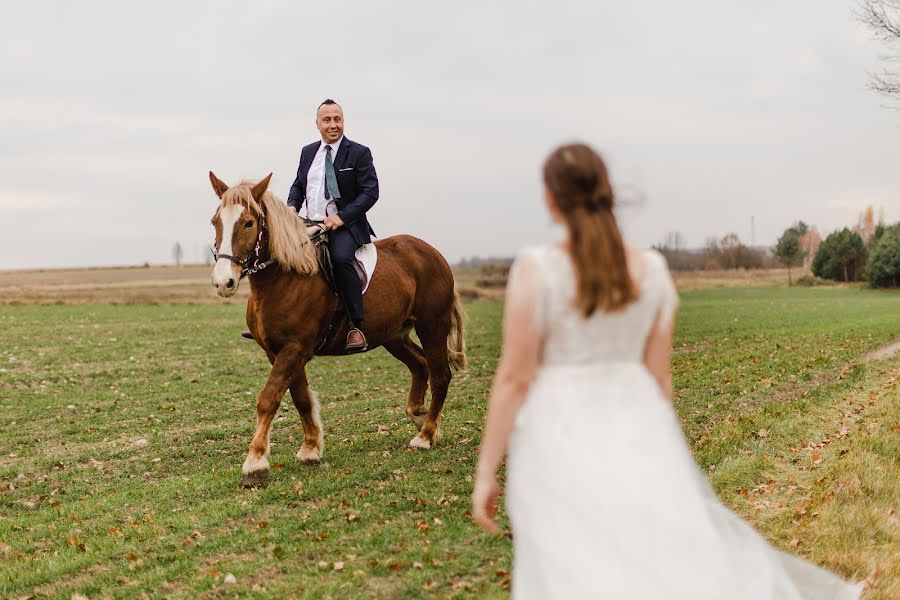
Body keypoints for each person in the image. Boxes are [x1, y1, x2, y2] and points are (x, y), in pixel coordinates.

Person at [471, 143, 862, 599]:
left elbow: (515, 378)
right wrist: (662, 447)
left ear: (551, 197)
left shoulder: (537, 269)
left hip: (557, 432)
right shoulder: (652, 270)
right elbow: (659, 379)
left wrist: (486, 470)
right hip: (638, 424)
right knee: (649, 558)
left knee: (570, 565)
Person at [286, 98, 379, 353]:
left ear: (343, 122)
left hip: (345, 225)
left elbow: (370, 193)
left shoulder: (359, 152)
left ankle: (355, 326)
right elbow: (298, 185)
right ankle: (278, 322)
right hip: (310, 223)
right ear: (317, 124)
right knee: (282, 257)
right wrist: (292, 208)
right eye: (327, 120)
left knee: (339, 259)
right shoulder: (308, 152)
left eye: (337, 119)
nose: (333, 124)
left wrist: (342, 217)